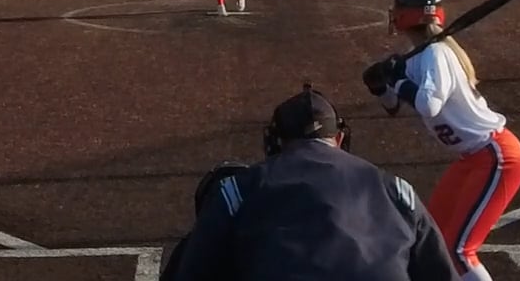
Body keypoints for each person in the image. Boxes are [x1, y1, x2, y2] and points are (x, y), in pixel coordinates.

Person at [161, 87, 457, 281]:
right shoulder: (397, 191)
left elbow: (190, 272)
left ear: (275, 141)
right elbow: (441, 275)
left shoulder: (238, 190)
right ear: (339, 138)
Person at [364, 0, 520, 281]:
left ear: (407, 15)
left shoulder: (436, 54)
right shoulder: (418, 56)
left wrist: (397, 80)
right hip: (473, 158)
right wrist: (380, 86)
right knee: (434, 236)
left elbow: (429, 105)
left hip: (496, 155)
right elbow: (393, 106)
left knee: (459, 250)